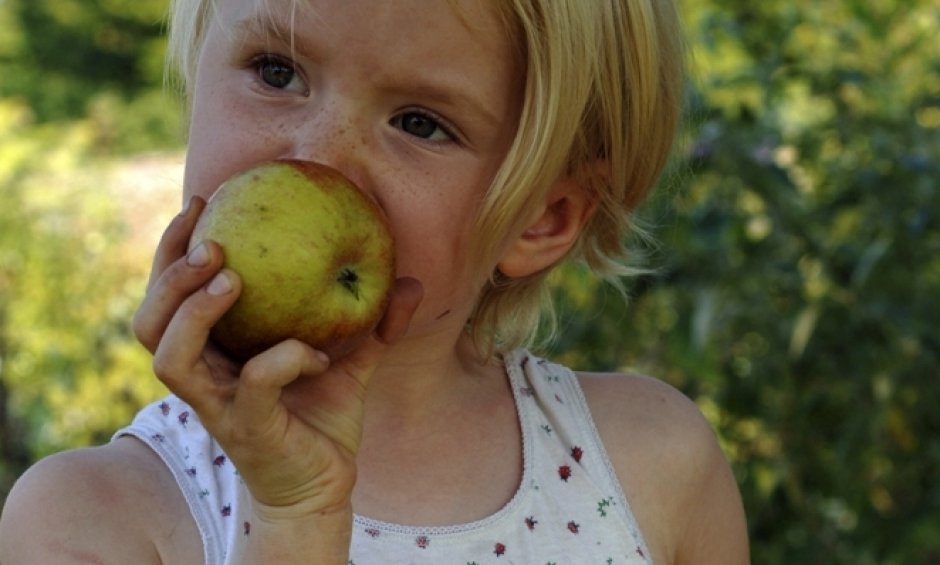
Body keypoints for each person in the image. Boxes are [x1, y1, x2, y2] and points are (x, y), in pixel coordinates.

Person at [0, 0, 749, 563]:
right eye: (276, 71)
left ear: (541, 219)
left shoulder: (650, 467)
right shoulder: (96, 519)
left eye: (420, 123)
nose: (321, 158)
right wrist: (292, 518)